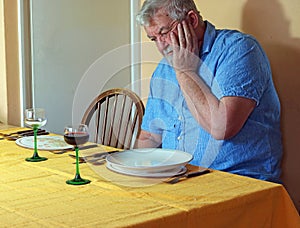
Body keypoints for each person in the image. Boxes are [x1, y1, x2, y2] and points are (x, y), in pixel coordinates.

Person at [135, 0, 282, 183]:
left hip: (236, 181)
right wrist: (134, 168)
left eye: (164, 33)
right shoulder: (164, 68)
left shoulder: (239, 50)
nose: (161, 46)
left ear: (191, 20)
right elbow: (150, 135)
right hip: (179, 180)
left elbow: (221, 127)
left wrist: (184, 70)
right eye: (153, 39)